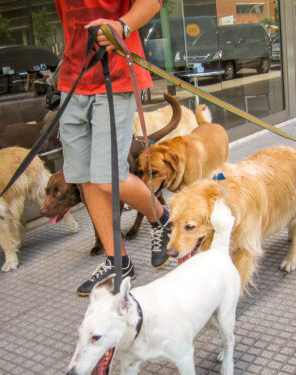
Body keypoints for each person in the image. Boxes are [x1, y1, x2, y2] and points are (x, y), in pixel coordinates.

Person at [55, 0, 170, 296]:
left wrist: (122, 25)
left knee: (109, 177)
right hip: (72, 79)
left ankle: (162, 218)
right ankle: (117, 261)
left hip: (114, 74)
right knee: (84, 176)